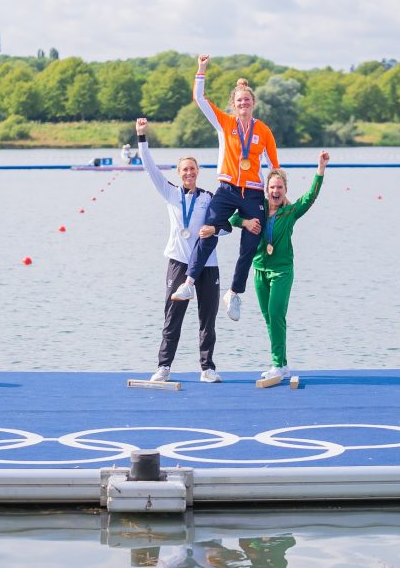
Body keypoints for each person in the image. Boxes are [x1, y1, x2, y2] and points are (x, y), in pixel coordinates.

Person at [170, 54, 280, 323]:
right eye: (239, 100)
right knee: (207, 231)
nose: (244, 103)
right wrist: (201, 69)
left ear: (253, 103)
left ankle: (234, 293)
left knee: (252, 237)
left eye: (248, 100)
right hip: (227, 189)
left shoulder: (263, 130)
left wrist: (277, 194)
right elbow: (200, 99)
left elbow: (274, 166)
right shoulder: (225, 123)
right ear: (233, 104)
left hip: (253, 192)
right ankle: (189, 282)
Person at [203, 151, 329, 380]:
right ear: (266, 190)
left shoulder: (291, 212)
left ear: (285, 191)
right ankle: (282, 363)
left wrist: (320, 169)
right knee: (269, 318)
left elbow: (310, 196)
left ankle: (277, 364)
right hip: (259, 269)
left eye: (280, 187)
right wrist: (246, 222)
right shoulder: (256, 207)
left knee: (276, 313)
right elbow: (231, 219)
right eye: (272, 187)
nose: (276, 191)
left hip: (282, 271)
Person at [136, 117, 226, 383]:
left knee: (207, 318)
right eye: (184, 170)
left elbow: (222, 226)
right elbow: (150, 168)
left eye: (192, 169)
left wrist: (215, 230)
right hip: (178, 263)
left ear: (198, 172)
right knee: (172, 316)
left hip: (207, 265)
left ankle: (207, 368)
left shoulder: (208, 198)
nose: (188, 173)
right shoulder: (170, 193)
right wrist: (142, 137)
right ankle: (164, 367)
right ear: (179, 173)